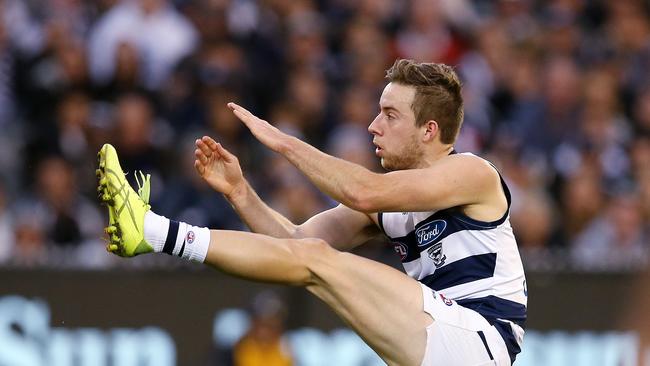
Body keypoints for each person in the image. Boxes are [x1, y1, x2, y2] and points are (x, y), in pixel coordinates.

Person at [97, 59, 527, 366]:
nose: (374, 126)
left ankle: (153, 231)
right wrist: (240, 192)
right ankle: (153, 233)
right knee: (316, 258)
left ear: (429, 131)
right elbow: (296, 248)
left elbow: (362, 191)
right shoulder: (386, 203)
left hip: (478, 339)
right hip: (438, 338)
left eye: (390, 115)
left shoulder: (472, 172)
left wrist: (284, 142)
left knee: (321, 261)